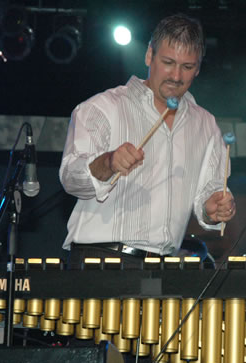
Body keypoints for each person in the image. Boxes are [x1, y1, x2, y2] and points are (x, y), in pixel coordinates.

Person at [60, 14, 236, 267]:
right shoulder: (102, 108)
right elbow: (70, 179)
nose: (176, 76)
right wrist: (108, 162)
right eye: (168, 62)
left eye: (187, 67)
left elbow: (209, 192)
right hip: (101, 259)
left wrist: (213, 208)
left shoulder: (205, 124)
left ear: (197, 69)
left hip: (165, 266)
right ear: (148, 56)